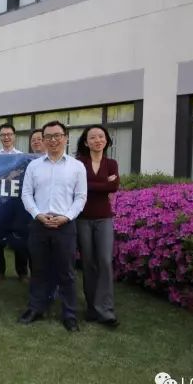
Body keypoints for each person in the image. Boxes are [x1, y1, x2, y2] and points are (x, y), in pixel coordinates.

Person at [19, 120, 87, 332]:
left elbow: (81, 197)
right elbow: (26, 194)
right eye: (48, 136)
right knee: (39, 269)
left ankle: (69, 314)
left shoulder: (77, 167)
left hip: (65, 226)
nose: (53, 140)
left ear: (65, 138)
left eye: (57, 135)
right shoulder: (34, 166)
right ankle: (36, 308)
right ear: (43, 140)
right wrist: (37, 214)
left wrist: (66, 217)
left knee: (66, 271)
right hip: (39, 224)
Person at [76, 125, 120, 327]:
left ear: (106, 140)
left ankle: (106, 310)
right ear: (86, 142)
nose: (97, 140)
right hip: (82, 218)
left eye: (101, 136)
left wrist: (91, 185)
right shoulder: (79, 163)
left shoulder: (111, 163)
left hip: (104, 218)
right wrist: (103, 184)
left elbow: (114, 186)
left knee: (104, 261)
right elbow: (79, 187)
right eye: (92, 137)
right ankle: (92, 308)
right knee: (88, 263)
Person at [0, 123, 29, 282]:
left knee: (19, 237)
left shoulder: (22, 157)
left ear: (14, 136)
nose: (6, 137)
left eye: (9, 134)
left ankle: (22, 273)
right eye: (3, 135)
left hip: (17, 203)